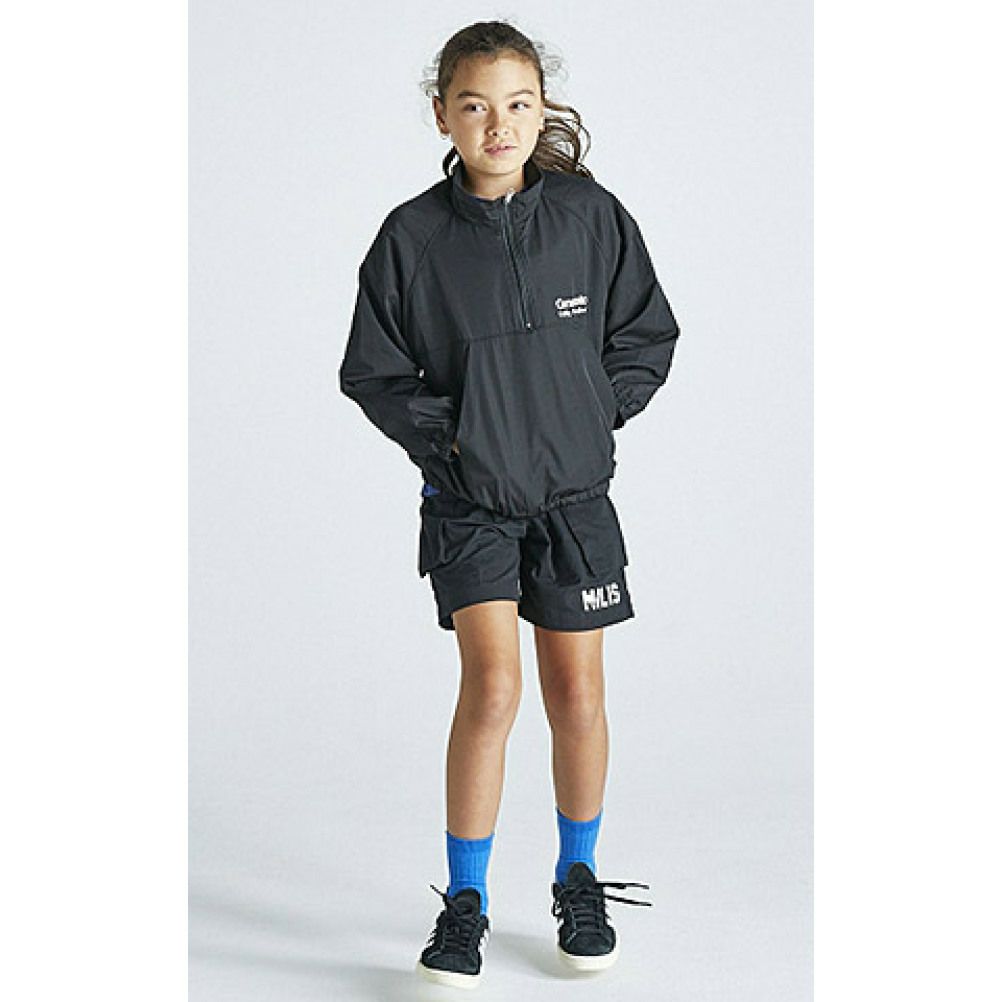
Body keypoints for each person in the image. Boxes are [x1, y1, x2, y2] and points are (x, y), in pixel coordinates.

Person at [339, 20, 680, 988]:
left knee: (578, 695)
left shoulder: (591, 217)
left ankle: (578, 879)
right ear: (442, 114)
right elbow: (372, 371)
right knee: (492, 690)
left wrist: (587, 414)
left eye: (518, 103)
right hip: (470, 502)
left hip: (574, 499)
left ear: (542, 110)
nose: (499, 124)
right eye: (476, 105)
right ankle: (465, 904)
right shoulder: (412, 238)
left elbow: (645, 335)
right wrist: (454, 441)